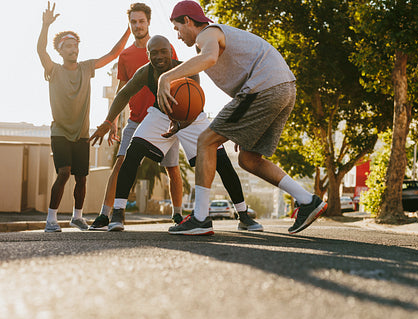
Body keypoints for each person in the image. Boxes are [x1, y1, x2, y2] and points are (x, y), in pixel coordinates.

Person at [157, 1, 328, 235]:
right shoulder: (217, 36)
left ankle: (200, 218)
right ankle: (307, 200)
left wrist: (165, 78)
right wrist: (242, 126)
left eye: (177, 28)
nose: (177, 36)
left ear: (187, 20)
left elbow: (208, 58)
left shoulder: (207, 34)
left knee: (205, 141)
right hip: (284, 89)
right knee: (248, 159)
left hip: (263, 87)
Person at [89, 35, 263, 233]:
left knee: (221, 159)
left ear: (171, 52)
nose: (159, 56)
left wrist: (180, 124)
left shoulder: (187, 68)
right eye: (154, 53)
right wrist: (107, 121)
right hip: (161, 113)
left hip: (191, 116)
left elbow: (195, 103)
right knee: (133, 151)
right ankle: (118, 212)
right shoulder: (145, 73)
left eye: (163, 51)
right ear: (148, 55)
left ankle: (243, 215)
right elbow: (123, 94)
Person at [37, 2, 131, 232]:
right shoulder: (54, 70)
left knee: (81, 177)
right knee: (64, 172)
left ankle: (77, 217)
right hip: (60, 131)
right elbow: (41, 50)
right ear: (60, 50)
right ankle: (51, 218)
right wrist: (45, 25)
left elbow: (113, 54)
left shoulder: (86, 68)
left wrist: (129, 28)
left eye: (75, 45)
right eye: (68, 46)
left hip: (81, 133)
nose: (73, 49)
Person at [90, 3, 184, 231]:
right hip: (135, 119)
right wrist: (111, 121)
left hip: (164, 119)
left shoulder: (164, 47)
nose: (137, 25)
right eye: (133, 22)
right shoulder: (126, 55)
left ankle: (178, 215)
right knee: (121, 163)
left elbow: (178, 79)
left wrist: (179, 117)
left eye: (141, 21)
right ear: (129, 24)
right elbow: (122, 90)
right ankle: (106, 214)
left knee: (172, 168)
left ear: (148, 22)